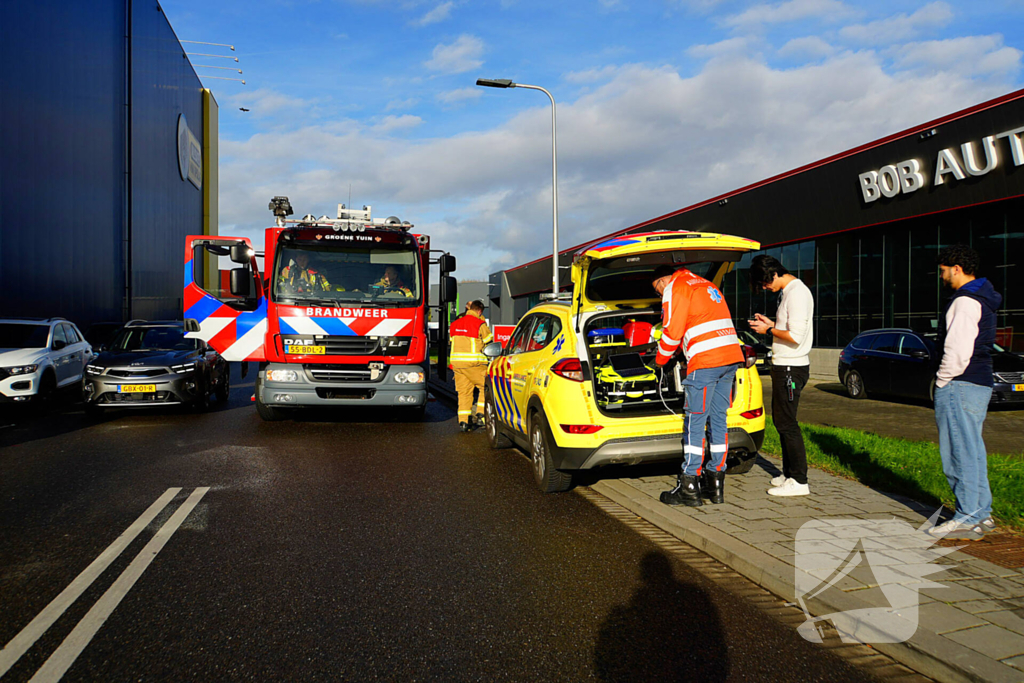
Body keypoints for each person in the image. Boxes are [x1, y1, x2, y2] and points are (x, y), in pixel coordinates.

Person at [652, 265, 743, 507]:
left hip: (705, 362)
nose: (660, 294)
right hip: (731, 358)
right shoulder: (707, 285)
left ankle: (689, 484)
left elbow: (672, 331)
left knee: (695, 421)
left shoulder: (676, 287)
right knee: (718, 419)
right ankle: (716, 483)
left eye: (657, 288)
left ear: (663, 280)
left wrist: (659, 360)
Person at [927, 245, 1002, 540]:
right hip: (977, 382)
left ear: (956, 268)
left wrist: (942, 381)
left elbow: (957, 350)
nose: (941, 276)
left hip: (959, 383)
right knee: (972, 451)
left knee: (958, 453)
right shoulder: (982, 297)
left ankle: (967, 517)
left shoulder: (964, 301)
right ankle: (981, 514)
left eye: (943, 270)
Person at [748, 254, 814, 497]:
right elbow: (791, 328)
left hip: (790, 366)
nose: (766, 287)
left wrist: (769, 329)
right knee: (782, 421)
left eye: (766, 283)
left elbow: (796, 336)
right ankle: (789, 474)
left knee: (787, 423)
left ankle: (799, 480)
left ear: (774, 273)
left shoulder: (797, 293)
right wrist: (772, 323)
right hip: (785, 365)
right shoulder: (789, 292)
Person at [449, 300, 493, 432]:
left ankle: (463, 421)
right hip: (474, 364)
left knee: (464, 392)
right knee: (485, 386)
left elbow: (452, 341)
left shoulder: (455, 324)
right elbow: (488, 341)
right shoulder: (479, 323)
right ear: (479, 311)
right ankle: (481, 414)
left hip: (457, 364)